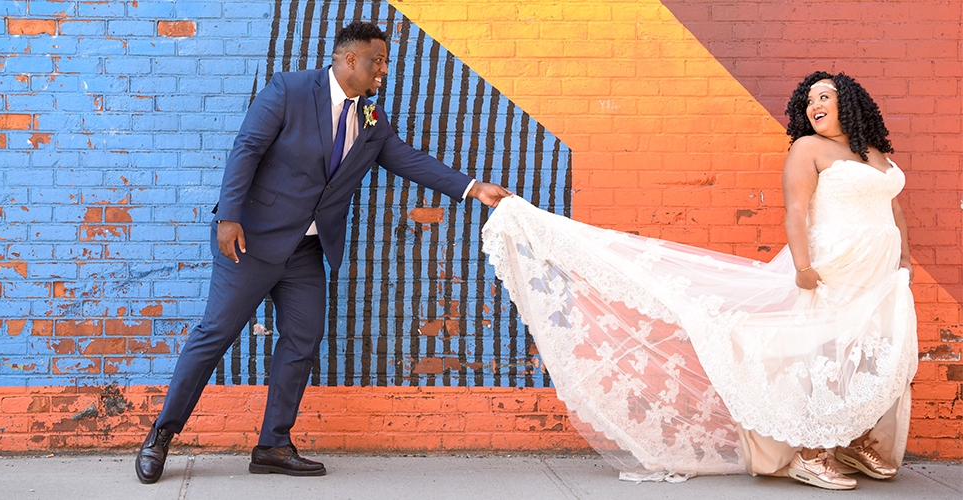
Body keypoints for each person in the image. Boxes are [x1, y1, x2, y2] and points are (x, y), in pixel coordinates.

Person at [480, 71, 916, 489]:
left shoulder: (876, 155)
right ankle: (810, 454)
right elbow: (796, 212)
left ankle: (855, 443)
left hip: (878, 275)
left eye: (825, 96)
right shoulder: (808, 148)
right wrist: (803, 267)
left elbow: (893, 210)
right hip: (831, 269)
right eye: (809, 100)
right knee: (826, 357)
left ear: (850, 104)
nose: (814, 105)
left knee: (872, 356)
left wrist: (906, 260)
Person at [135, 21, 511, 484]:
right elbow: (247, 147)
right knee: (213, 336)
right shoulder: (290, 90)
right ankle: (161, 436)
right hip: (252, 240)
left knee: (302, 341)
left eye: (386, 62)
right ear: (349, 59)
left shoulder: (370, 118)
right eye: (379, 61)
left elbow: (406, 158)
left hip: (306, 252)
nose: (384, 71)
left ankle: (273, 444)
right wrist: (228, 216)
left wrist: (473, 188)